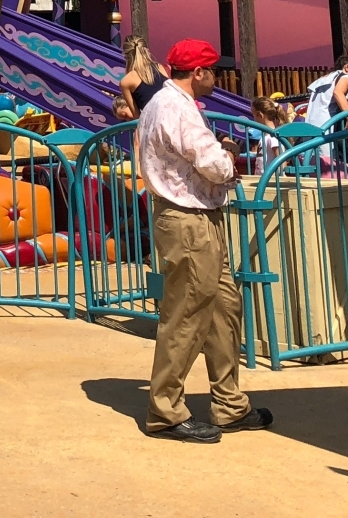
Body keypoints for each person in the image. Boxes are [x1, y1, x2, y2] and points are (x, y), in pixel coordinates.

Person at [134, 38, 271, 442]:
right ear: (198, 73)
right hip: (188, 219)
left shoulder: (159, 103)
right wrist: (229, 155)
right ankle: (166, 410)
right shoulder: (178, 108)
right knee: (187, 312)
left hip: (191, 217)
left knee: (223, 306)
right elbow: (213, 164)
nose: (217, 78)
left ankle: (229, 404)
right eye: (213, 71)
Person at [303, 59, 348, 126]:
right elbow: (338, 93)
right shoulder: (345, 77)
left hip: (313, 122)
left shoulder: (326, 79)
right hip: (328, 123)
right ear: (347, 68)